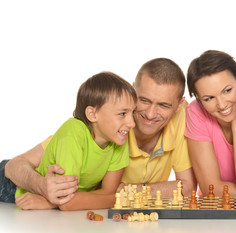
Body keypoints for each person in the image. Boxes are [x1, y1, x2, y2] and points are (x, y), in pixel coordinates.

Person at [4, 58, 196, 206]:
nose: (150, 113)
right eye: (144, 100)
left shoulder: (183, 118)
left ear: (179, 105)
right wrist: (43, 189)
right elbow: (14, 166)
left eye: (163, 105)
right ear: (133, 90)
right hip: (18, 184)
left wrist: (130, 191)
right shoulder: (102, 124)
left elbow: (187, 188)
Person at [1, 71, 137, 210]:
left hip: (49, 192)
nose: (132, 123)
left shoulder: (118, 138)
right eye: (122, 114)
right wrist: (120, 200)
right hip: (14, 184)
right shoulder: (74, 131)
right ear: (92, 114)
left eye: (133, 112)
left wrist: (56, 202)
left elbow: (106, 192)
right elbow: (67, 202)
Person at [185, 50, 236, 201]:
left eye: (227, 91)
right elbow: (210, 189)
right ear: (199, 99)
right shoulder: (196, 112)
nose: (221, 105)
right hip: (217, 209)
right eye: (208, 98)